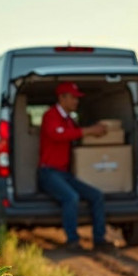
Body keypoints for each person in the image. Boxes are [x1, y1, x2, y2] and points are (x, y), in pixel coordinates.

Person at [37, 82, 116, 252]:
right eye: (73, 98)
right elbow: (58, 135)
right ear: (62, 98)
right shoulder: (50, 116)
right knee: (71, 197)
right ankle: (73, 241)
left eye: (77, 98)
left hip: (65, 173)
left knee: (96, 196)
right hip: (48, 173)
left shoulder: (70, 120)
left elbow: (75, 135)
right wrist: (89, 131)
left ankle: (99, 240)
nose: (76, 102)